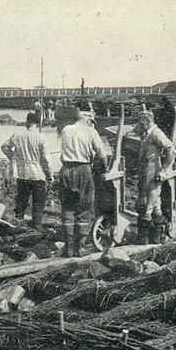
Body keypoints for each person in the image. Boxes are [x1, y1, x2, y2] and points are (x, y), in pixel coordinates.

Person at [59, 103, 108, 257]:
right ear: (88, 118)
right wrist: (104, 169)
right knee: (84, 208)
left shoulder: (66, 129)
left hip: (66, 169)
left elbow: (63, 153)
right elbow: (101, 154)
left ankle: (68, 247)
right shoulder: (90, 131)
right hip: (83, 170)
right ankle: (80, 248)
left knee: (68, 208)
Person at [1, 120, 52, 230]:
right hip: (37, 174)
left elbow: (4, 147)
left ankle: (18, 222)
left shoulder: (17, 135)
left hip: (22, 173)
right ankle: (37, 225)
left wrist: (13, 157)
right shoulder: (41, 137)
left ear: (26, 124)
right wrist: (49, 175)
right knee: (38, 201)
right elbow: (46, 160)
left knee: (21, 200)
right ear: (37, 125)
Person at [134, 110, 176, 244]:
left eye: (141, 122)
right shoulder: (146, 133)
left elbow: (171, 149)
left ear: (147, 121)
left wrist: (164, 170)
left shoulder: (156, 133)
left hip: (153, 172)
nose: (140, 125)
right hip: (145, 172)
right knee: (155, 205)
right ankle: (157, 236)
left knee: (148, 205)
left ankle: (143, 238)